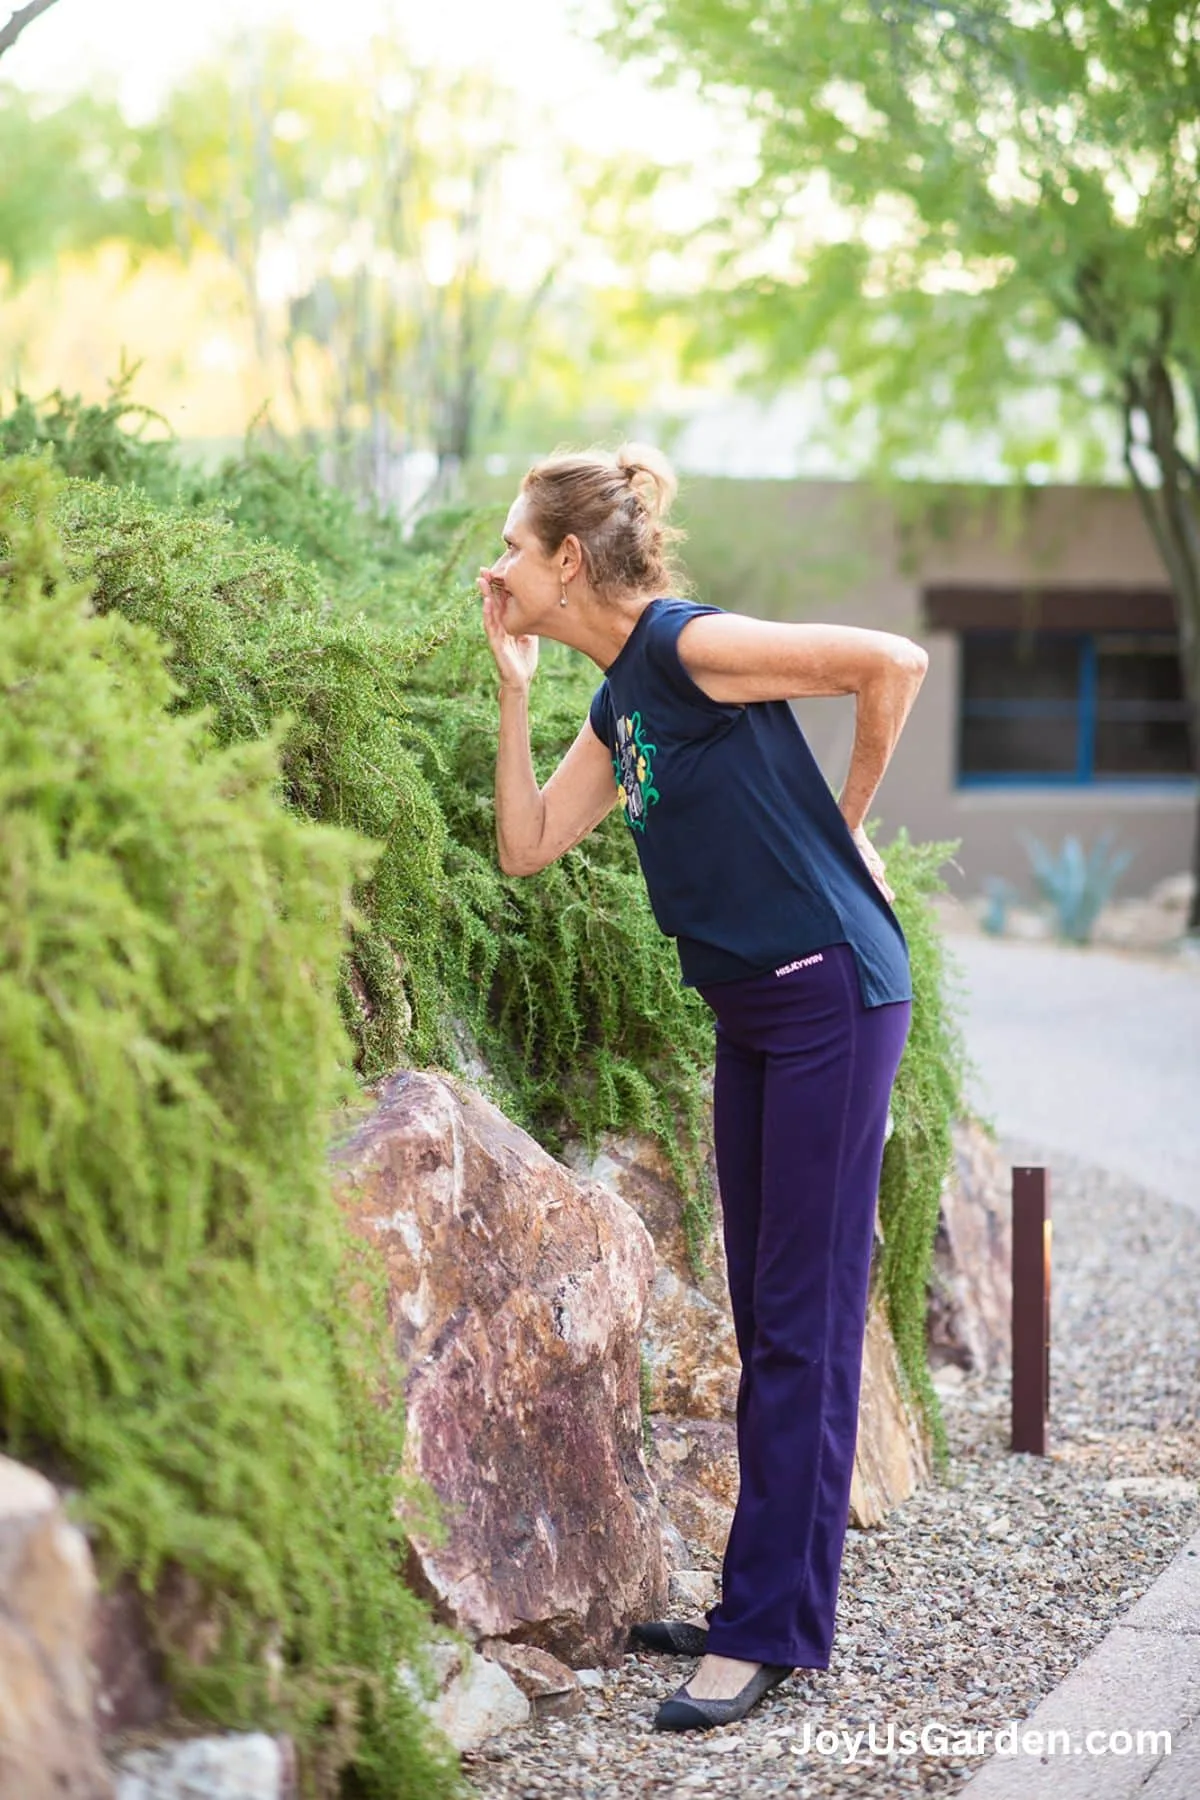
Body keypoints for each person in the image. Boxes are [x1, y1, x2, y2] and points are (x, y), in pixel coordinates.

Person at [478, 443, 926, 1734]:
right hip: (755, 1006)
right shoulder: (624, 701)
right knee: (767, 1308)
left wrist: (847, 825)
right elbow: (524, 849)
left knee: (802, 1316)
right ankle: (758, 1606)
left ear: (569, 559)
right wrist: (511, 690)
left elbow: (889, 662)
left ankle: (771, 1634)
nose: (498, 567)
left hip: (832, 993)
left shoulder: (690, 645)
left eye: (515, 545)